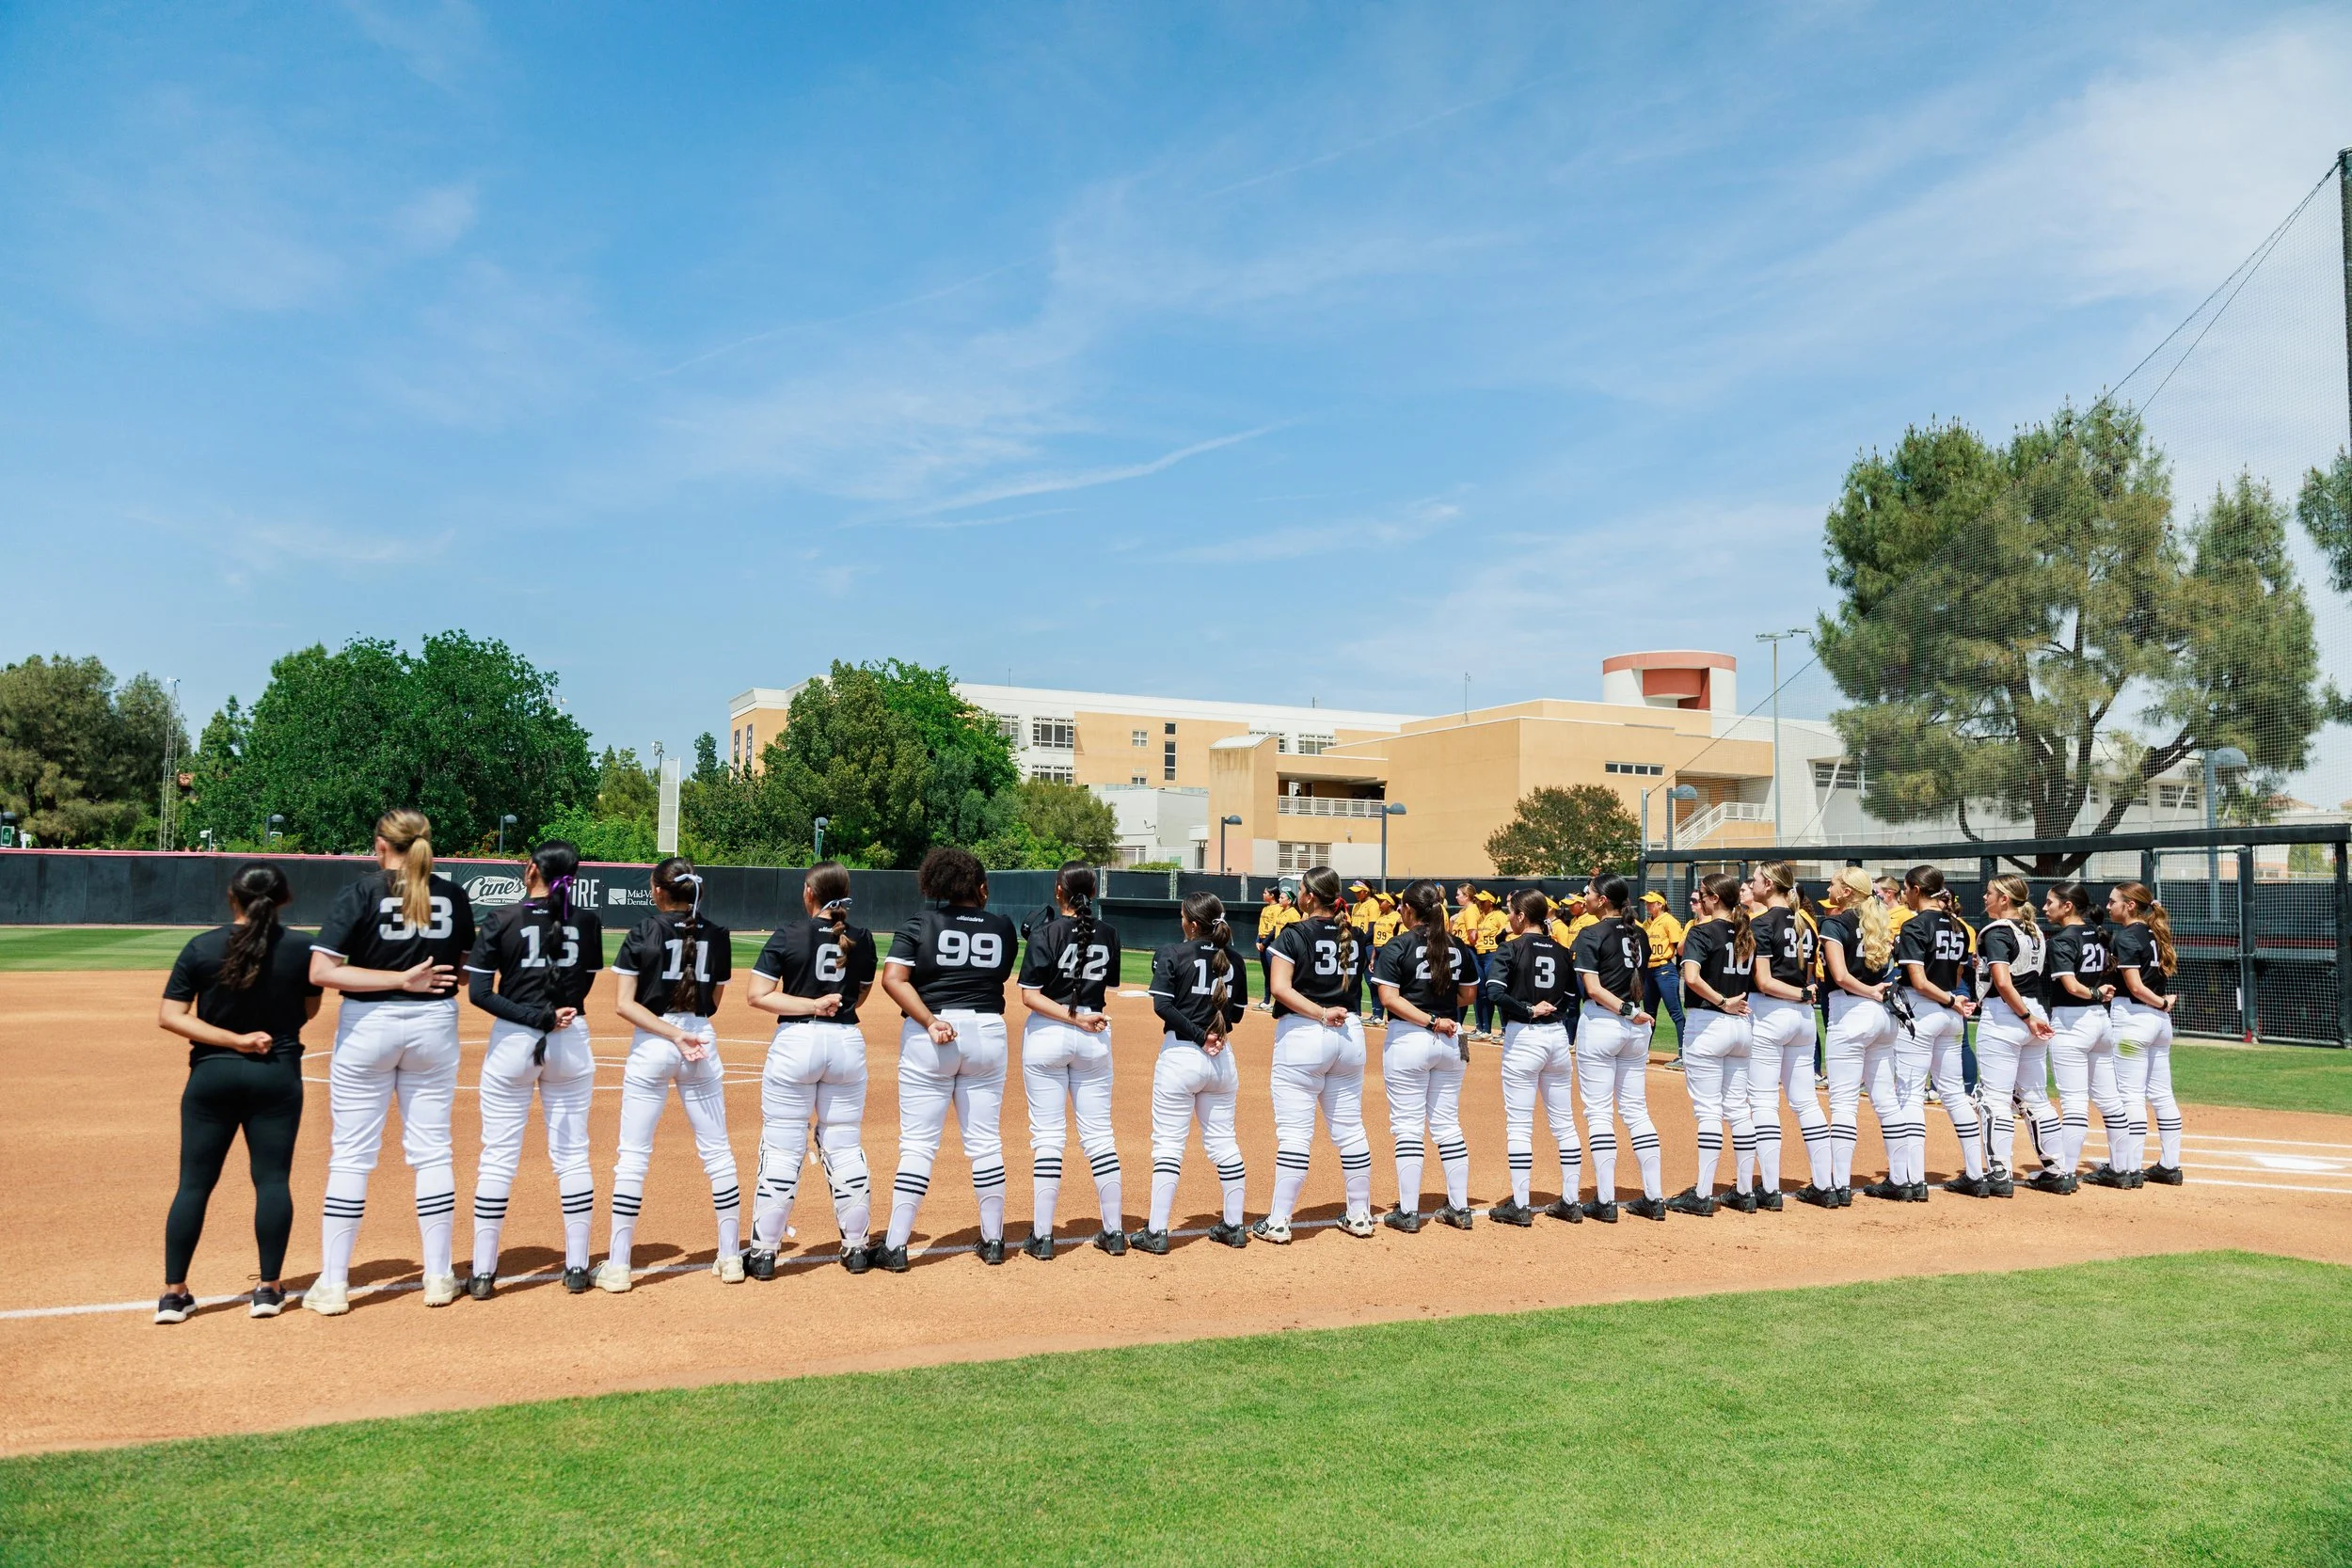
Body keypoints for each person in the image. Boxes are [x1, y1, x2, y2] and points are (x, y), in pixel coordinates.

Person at [305, 809, 476, 1316]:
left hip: (369, 1026)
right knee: (432, 1151)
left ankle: (335, 1285)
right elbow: (463, 973)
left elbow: (321, 971)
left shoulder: (361, 892)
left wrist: (396, 978)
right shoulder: (453, 895)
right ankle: (440, 1276)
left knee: (352, 1155)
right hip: (434, 1026)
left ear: (381, 845)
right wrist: (415, 978)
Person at [155, 864, 319, 1323]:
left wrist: (231, 1040)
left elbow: (171, 1016)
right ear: (284, 898)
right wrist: (258, 1038)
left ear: (232, 897)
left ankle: (174, 1294)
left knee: (193, 1184)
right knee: (271, 1181)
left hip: (211, 1076)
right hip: (276, 1073)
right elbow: (308, 1008)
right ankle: (268, 1290)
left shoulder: (202, 946)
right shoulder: (303, 948)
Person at [463, 839, 603, 1299]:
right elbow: (584, 981)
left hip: (514, 1041)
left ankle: (483, 1274)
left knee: (498, 1155)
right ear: (575, 877)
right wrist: (553, 1013)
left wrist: (533, 1016)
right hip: (571, 1037)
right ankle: (578, 1267)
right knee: (573, 1154)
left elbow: (479, 993)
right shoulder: (586, 920)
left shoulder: (501, 918)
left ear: (530, 871)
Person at [874, 847, 1019, 1270]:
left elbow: (893, 979)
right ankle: (993, 1241)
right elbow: (998, 973)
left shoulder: (920, 923)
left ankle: (897, 1247)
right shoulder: (1003, 927)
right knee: (985, 1141)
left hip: (932, 1035)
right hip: (988, 1031)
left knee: (918, 1143)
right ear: (981, 888)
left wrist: (929, 1019)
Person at [601, 858, 740, 1291]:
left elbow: (625, 1005)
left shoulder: (644, 931)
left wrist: (670, 1032)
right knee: (717, 1152)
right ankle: (731, 1257)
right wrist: (685, 1032)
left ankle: (619, 1266)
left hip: (654, 1042)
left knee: (633, 1155)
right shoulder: (716, 934)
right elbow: (713, 1001)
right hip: (701, 1039)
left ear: (659, 891)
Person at [744, 862, 877, 1279]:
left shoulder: (788, 933)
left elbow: (757, 995)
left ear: (809, 892)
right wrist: (829, 1005)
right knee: (843, 1143)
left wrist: (809, 1004)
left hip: (796, 1043)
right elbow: (860, 995)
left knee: (783, 1148)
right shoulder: (863, 937)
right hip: (845, 1043)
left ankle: (764, 1253)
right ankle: (856, 1249)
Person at [1254, 865, 1376, 1243]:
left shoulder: (1293, 933)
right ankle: (1359, 1216)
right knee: (1350, 1129)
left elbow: (1280, 988)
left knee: (1294, 1133)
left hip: (1306, 1033)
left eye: (1301, 889)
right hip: (1350, 1033)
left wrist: (1321, 1013)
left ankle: (1277, 1221)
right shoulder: (1353, 934)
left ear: (1308, 895)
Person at [1015, 863, 1125, 1259]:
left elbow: (1029, 995)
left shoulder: (1046, 931)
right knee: (1099, 1135)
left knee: (1047, 1136)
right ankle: (1114, 1233)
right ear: (1093, 891)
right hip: (1095, 1035)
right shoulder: (1109, 933)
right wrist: (1080, 1016)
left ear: (1059, 891)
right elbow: (1107, 983)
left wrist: (1070, 1015)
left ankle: (1043, 1237)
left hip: (1048, 1035)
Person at [1134, 894, 1251, 1252]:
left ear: (1193, 924)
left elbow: (1162, 1005)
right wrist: (1213, 1034)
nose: (1180, 920)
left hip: (1183, 1055)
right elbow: (1238, 1016)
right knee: (1224, 1141)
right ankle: (1233, 1226)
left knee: (1168, 1144)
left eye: (1183, 916)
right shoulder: (1233, 960)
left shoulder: (1173, 952)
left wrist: (1200, 1035)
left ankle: (1156, 1232)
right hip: (1222, 1059)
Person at [1370, 879, 1479, 1232]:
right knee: (1448, 1124)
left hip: (1411, 1038)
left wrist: (1429, 1018)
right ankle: (1460, 1209)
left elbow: (1389, 998)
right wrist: (1441, 1010)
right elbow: (1469, 995)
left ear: (1409, 910)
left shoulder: (1398, 945)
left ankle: (1409, 1211)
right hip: (1451, 1040)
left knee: (1408, 1127)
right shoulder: (1457, 945)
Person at [1484, 891, 1581, 1226]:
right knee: (1564, 1122)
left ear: (1522, 916)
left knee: (1520, 1125)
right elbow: (1572, 997)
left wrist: (1528, 1008)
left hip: (1524, 1035)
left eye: (1510, 912)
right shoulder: (1562, 950)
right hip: (1556, 1037)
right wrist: (1551, 1010)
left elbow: (1494, 992)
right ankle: (1571, 1201)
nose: (1508, 917)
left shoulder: (1510, 948)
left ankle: (1521, 1205)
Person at [1572, 874, 1665, 1222]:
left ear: (1603, 900)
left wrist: (1625, 1010)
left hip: (1605, 1021)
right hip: (1635, 1026)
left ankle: (1606, 1201)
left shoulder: (1591, 932)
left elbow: (1593, 989)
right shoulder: (1638, 931)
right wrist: (1633, 1012)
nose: (1586, 897)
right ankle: (1654, 1198)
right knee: (1636, 1110)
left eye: (1590, 893)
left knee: (1598, 1112)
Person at [1891, 865, 1986, 1198]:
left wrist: (1947, 999)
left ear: (1917, 889)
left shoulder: (1914, 924)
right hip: (1949, 1013)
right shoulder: (1959, 926)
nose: (1904, 894)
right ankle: (1976, 1174)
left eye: (1906, 888)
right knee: (1954, 1094)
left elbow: (1918, 981)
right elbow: (1957, 973)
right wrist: (1953, 999)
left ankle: (1911, 1180)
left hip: (1923, 1009)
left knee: (1909, 1093)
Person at [1745, 863, 1833, 1208]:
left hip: (1771, 1012)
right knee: (1806, 1101)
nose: (1750, 883)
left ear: (1768, 884)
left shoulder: (1761, 923)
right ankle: (1825, 1185)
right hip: (1802, 1019)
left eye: (1754, 879)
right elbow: (1808, 978)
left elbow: (1765, 981)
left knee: (1764, 1102)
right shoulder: (1805, 922)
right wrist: (1802, 996)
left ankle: (1769, 1189)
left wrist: (1798, 995)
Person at [2036, 880, 2127, 1195]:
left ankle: (2065, 1172)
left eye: (2050, 903)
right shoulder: (2098, 933)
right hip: (2101, 1022)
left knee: (2074, 1100)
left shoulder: (2063, 939)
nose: (2044, 908)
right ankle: (2122, 1169)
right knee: (2109, 1099)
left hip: (2074, 1021)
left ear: (2068, 906)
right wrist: (2098, 994)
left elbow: (2073, 987)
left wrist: (2094, 992)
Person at [1671, 874, 1755, 1217]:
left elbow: (1691, 978)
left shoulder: (1701, 931)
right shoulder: (1743, 930)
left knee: (1709, 1111)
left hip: (1710, 1023)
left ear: (1715, 898)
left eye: (1703, 895)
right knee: (1738, 1109)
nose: (1699, 900)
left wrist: (1721, 1001)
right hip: (1741, 1026)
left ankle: (1703, 1194)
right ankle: (1746, 1191)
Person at [1971, 875, 2055, 1197]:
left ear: (2005, 899)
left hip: (2009, 1015)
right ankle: (2058, 1170)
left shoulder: (1997, 931)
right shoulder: (2033, 929)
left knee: (1993, 1098)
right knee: (2036, 1097)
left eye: (1990, 893)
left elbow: (2004, 983)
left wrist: (2024, 1016)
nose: (1985, 898)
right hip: (2033, 1011)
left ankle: (1999, 1173)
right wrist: (2031, 1016)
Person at [1819, 868, 1897, 1208]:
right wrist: (1875, 993)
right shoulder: (1878, 918)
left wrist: (1869, 992)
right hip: (1881, 1019)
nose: (1829, 887)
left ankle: (1839, 1184)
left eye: (1834, 883)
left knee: (1843, 1103)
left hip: (1851, 1013)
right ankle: (1905, 1178)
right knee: (1886, 1100)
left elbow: (1839, 975)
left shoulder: (1835, 924)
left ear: (1848, 891)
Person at [2108, 881, 2184, 1185]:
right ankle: (2169, 1165)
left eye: (2114, 901)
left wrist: (2163, 1001)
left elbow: (2137, 987)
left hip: (2134, 1020)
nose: (2109, 904)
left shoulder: (2126, 936)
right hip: (2159, 1026)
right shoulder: (2155, 933)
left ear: (2129, 906)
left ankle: (2129, 1169)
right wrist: (2163, 1005)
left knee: (2131, 1095)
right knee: (2162, 1095)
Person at [1639, 891, 1687, 1053]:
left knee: (1676, 1013)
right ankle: (1644, 1052)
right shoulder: (1646, 923)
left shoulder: (1669, 921)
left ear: (1661, 904)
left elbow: (1679, 948)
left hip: (1664, 968)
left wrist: (1678, 969)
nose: (1647, 905)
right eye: (1646, 902)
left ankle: (1683, 1052)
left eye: (1651, 902)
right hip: (1648, 971)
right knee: (1649, 1014)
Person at [1254, 888, 1286, 1012]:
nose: (1263, 894)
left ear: (1272, 895)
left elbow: (1274, 929)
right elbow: (1260, 927)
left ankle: (1277, 1002)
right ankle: (1266, 1001)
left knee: (1275, 974)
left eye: (1265, 893)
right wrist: (1258, 940)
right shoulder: (1265, 908)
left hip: (1271, 943)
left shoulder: (1278, 908)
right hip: (1262, 942)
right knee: (1267, 974)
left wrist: (1265, 943)